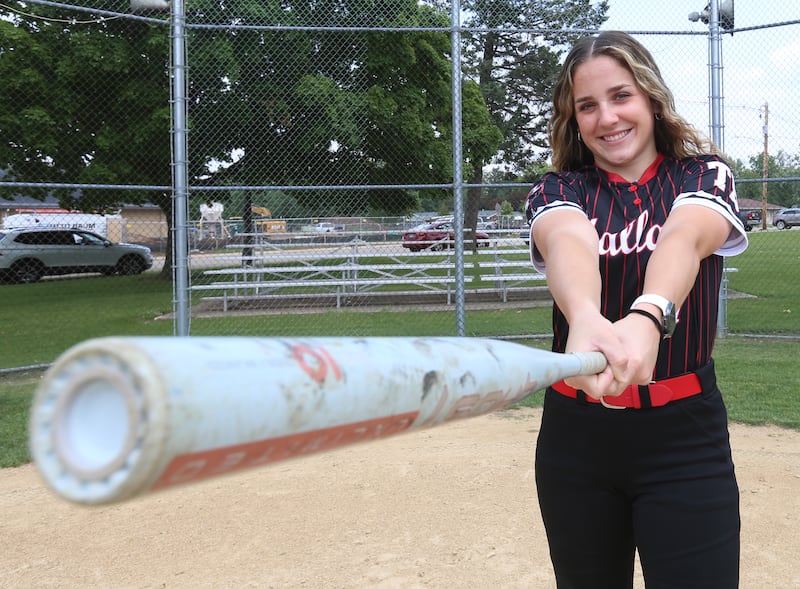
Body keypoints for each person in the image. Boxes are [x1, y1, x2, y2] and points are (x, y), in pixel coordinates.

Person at [525, 31, 748, 589]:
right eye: (587, 105)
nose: (607, 117)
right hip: (578, 438)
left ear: (650, 97)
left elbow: (684, 238)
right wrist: (585, 317)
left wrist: (649, 316)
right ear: (573, 119)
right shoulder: (558, 188)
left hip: (684, 434)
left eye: (621, 96)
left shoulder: (702, 174)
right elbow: (567, 242)